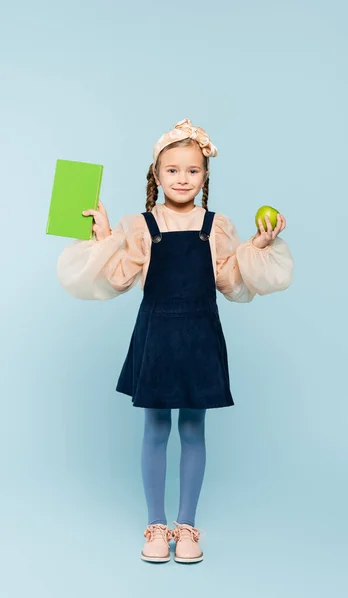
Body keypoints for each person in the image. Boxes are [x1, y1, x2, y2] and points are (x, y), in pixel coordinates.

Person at [57, 118, 294, 564]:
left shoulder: (216, 225)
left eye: (192, 171)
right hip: (157, 335)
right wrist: (105, 235)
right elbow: (119, 277)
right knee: (156, 427)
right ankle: (155, 524)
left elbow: (230, 280)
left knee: (193, 427)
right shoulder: (141, 225)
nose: (182, 179)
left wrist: (257, 245)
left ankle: (187, 526)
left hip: (200, 335)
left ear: (205, 177)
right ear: (156, 174)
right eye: (172, 170)